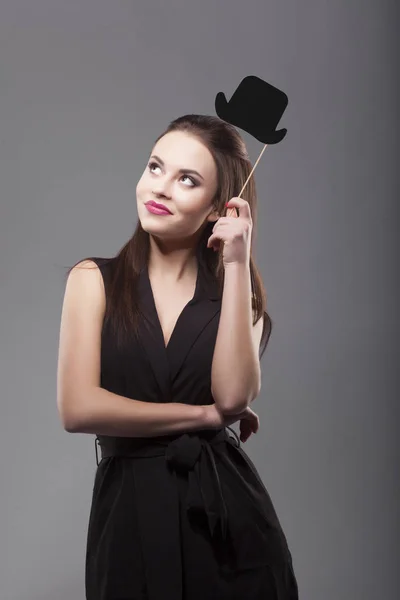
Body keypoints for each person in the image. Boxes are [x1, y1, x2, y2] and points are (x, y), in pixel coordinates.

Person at [57, 114, 299, 599]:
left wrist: (235, 264)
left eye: (187, 179)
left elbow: (232, 396)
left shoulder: (239, 297)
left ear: (216, 208)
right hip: (127, 514)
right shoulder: (92, 280)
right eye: (154, 167)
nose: (161, 188)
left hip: (226, 517)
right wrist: (201, 415)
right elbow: (78, 409)